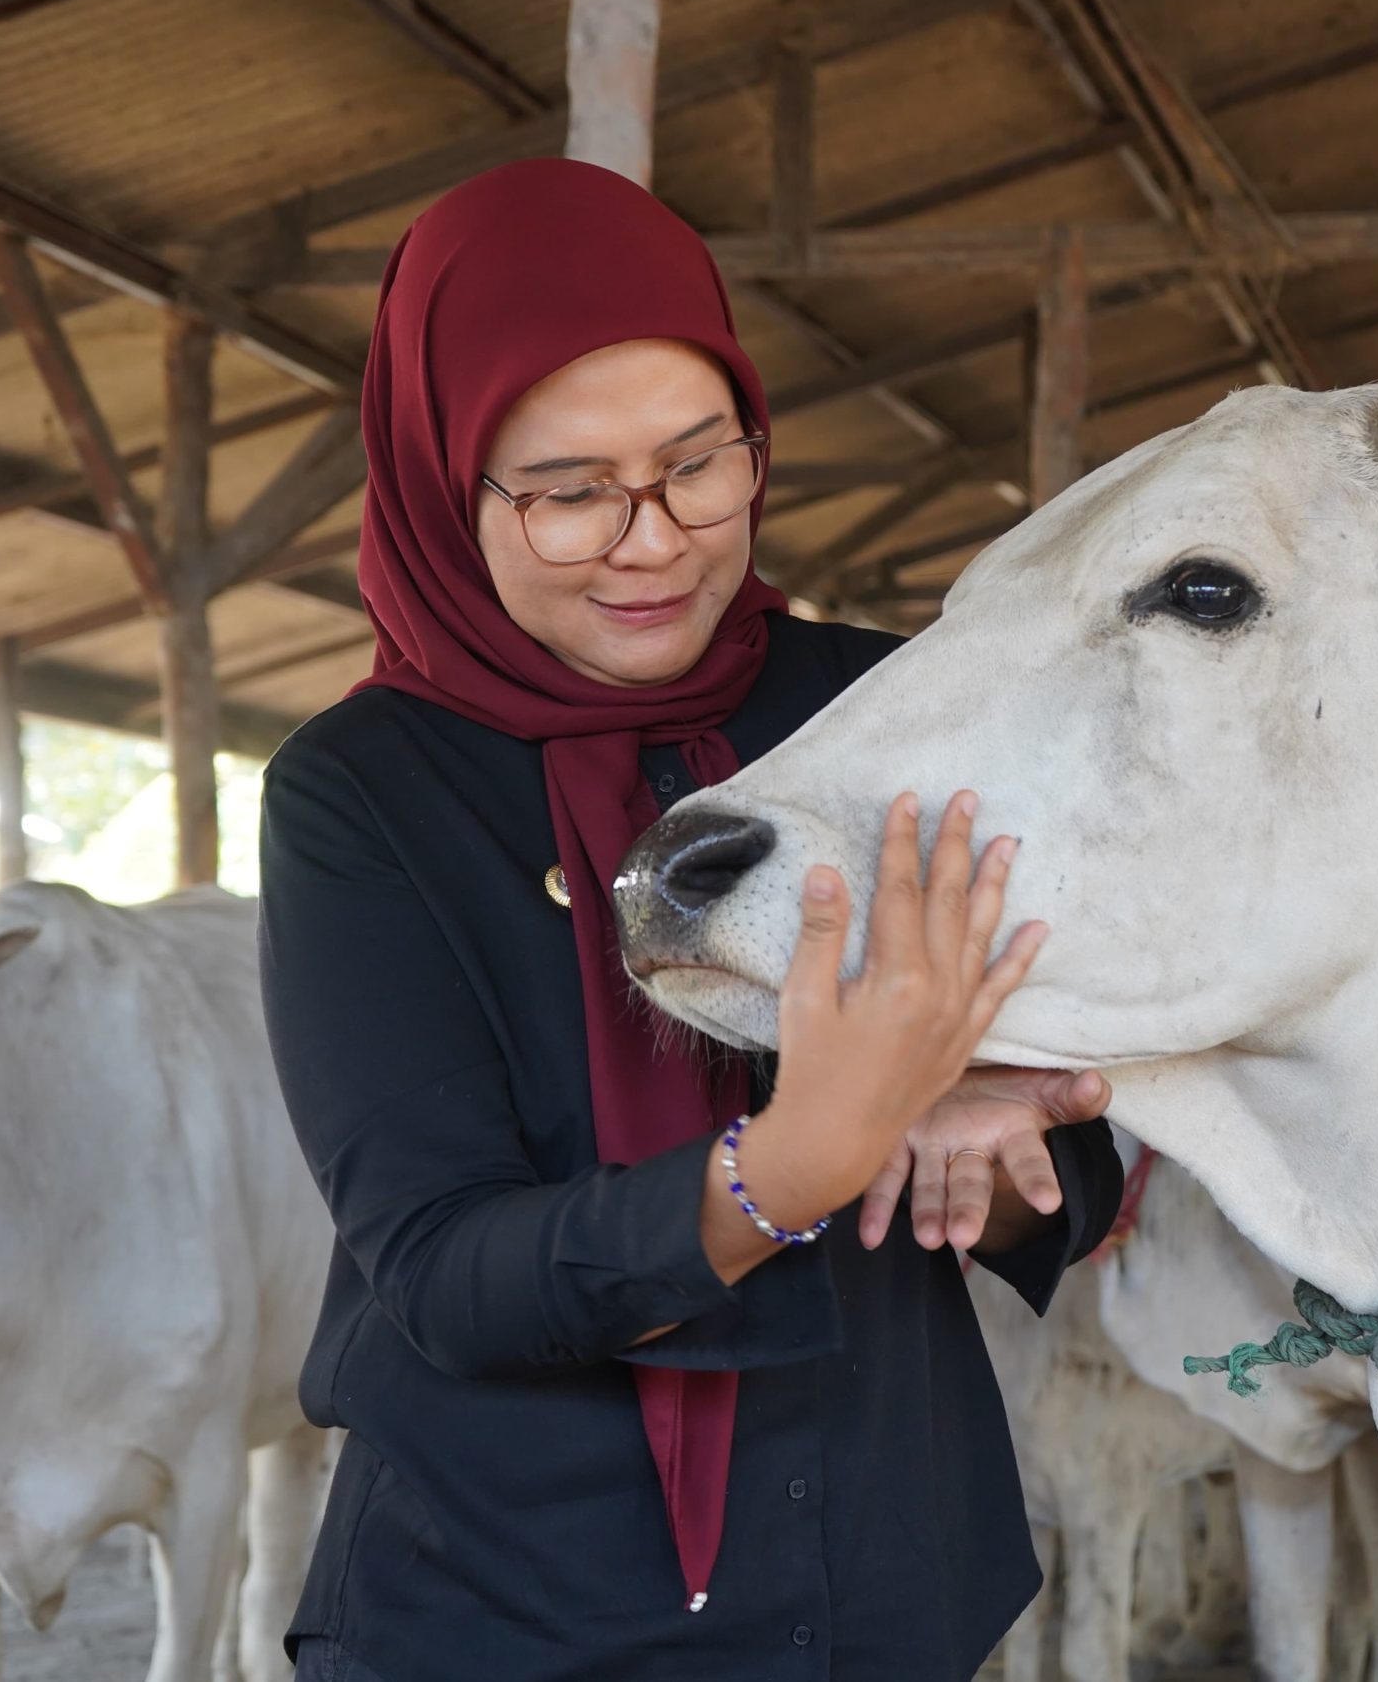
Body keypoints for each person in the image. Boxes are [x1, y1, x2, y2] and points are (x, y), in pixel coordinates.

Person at [256, 158, 1122, 1682]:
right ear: (442, 480)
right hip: (506, 1615)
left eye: (696, 464)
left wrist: (987, 1147)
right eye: (570, 492)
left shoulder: (881, 711)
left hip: (889, 1594)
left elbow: (1078, 1170)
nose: (651, 540)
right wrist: (807, 1152)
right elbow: (449, 1274)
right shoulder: (363, 796)